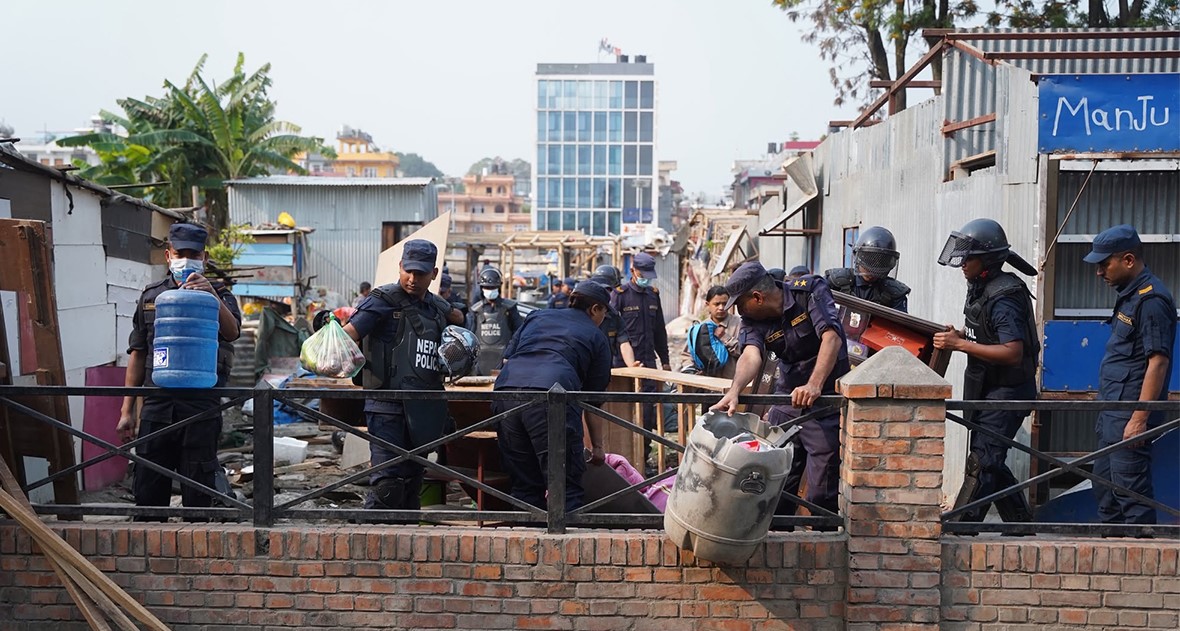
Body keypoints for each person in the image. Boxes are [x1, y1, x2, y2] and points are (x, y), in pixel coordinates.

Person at [118, 223, 242, 518]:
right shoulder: (151, 296)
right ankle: (149, 549)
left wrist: (210, 293)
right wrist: (127, 411)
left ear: (205, 257)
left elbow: (233, 331)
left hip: (200, 404)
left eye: (193, 253)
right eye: (179, 253)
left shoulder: (220, 295)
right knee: (148, 486)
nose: (186, 259)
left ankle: (197, 549)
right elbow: (138, 354)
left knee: (199, 489)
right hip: (156, 403)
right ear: (168, 255)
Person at [711, 261, 849, 519]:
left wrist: (814, 384)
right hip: (787, 401)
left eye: (739, 304)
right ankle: (778, 542)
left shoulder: (808, 291)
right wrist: (735, 390)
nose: (738, 312)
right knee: (775, 484)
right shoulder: (752, 320)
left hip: (825, 400)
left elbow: (831, 337)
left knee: (822, 491)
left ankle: (823, 545)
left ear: (757, 297)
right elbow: (751, 354)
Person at [934, 218, 1039, 524]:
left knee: (981, 461)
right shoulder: (981, 286)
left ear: (988, 260)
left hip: (1009, 390)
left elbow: (1012, 351)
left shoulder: (1004, 295)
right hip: (988, 388)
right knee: (992, 458)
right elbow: (990, 336)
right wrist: (964, 337)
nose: (962, 263)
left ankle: (962, 527)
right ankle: (1020, 525)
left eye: (969, 256)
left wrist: (960, 346)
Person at [342, 239, 453, 511]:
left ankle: (407, 550)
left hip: (425, 408)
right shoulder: (382, 301)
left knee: (412, 484)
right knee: (387, 486)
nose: (413, 279)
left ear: (434, 274)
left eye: (421, 273)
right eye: (409, 271)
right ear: (400, 266)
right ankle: (372, 548)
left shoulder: (438, 310)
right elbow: (347, 336)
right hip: (386, 406)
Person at [492, 281, 612, 510]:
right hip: (551, 399)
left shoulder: (537, 317)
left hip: (506, 392)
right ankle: (564, 543)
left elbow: (507, 360)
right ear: (595, 309)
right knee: (564, 484)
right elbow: (593, 399)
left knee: (524, 485)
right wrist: (597, 447)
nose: (604, 318)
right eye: (604, 312)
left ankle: (523, 541)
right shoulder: (596, 336)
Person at [1085, 225, 1175, 525]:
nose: (1099, 272)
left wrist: (1139, 419)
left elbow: (1158, 362)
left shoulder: (1151, 300)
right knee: (1105, 493)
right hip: (1112, 411)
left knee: (1130, 494)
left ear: (1127, 260)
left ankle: (1143, 567)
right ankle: (1110, 568)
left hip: (1128, 416)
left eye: (1104, 264)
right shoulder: (1130, 294)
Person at [611, 253, 670, 462]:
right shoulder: (620, 295)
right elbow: (611, 331)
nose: (646, 278)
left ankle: (643, 459)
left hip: (648, 364)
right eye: (642, 274)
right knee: (622, 412)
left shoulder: (653, 295)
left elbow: (659, 331)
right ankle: (622, 459)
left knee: (647, 413)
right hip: (623, 365)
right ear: (632, 271)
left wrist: (665, 360)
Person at [825, 226, 910, 312]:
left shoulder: (894, 293)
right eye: (868, 266)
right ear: (859, 259)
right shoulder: (835, 282)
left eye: (877, 268)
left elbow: (899, 324)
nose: (871, 273)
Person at [466, 267, 524, 375]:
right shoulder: (475, 311)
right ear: (482, 288)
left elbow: (519, 333)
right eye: (487, 287)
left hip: (505, 362)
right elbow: (469, 337)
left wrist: (511, 354)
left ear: (499, 287)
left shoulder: (509, 308)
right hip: (480, 363)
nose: (490, 290)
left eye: (493, 287)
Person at [681, 285, 742, 379]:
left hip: (731, 383)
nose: (721, 308)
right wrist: (692, 371)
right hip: (707, 385)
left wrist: (725, 338)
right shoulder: (700, 328)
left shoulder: (739, 324)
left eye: (725, 303)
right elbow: (687, 355)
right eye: (717, 304)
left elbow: (746, 353)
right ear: (707, 304)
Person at [590, 266, 640, 368]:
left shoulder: (614, 316)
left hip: (607, 369)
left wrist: (631, 365)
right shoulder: (582, 315)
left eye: (609, 291)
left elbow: (624, 343)